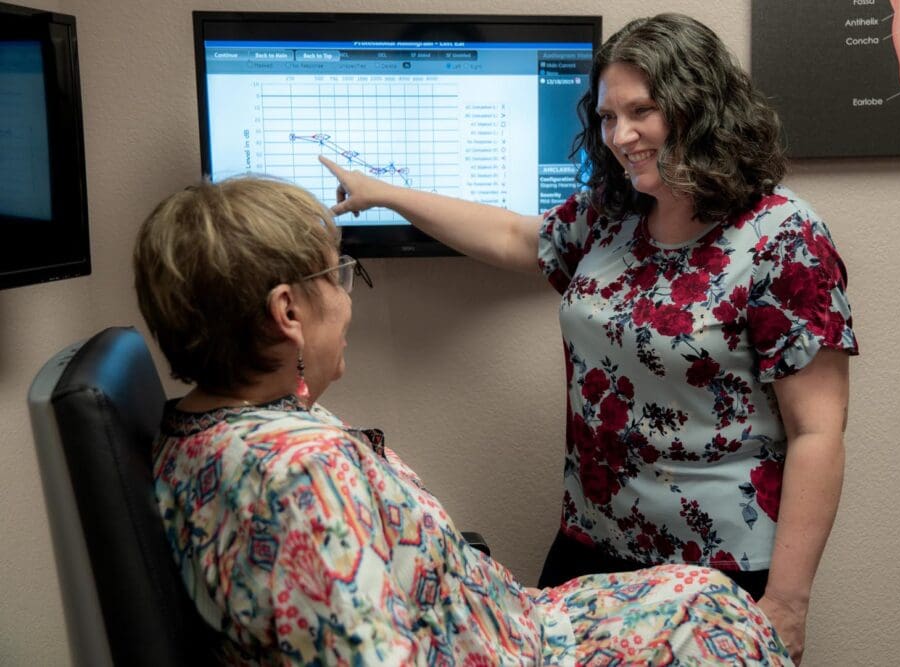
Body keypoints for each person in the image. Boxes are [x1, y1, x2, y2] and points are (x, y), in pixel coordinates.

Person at [319, 12, 858, 664]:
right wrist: (383, 193)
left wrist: (789, 601)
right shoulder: (612, 213)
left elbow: (818, 433)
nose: (621, 135)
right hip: (591, 550)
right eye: (607, 117)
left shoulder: (784, 236)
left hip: (719, 577)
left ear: (699, 108)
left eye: (642, 112)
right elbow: (514, 236)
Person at [133, 176, 792, 665]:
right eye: (337, 276)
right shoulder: (302, 476)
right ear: (288, 313)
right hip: (513, 650)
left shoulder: (208, 430)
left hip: (504, 624)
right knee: (721, 625)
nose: (346, 296)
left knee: (706, 596)